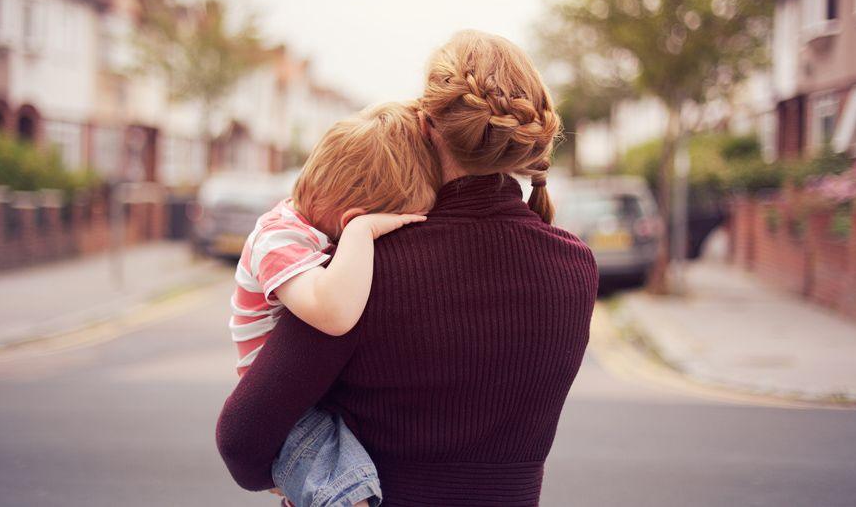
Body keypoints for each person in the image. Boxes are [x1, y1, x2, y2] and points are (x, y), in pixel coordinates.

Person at [217, 30, 599, 506]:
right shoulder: (576, 266)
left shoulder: (370, 266)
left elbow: (242, 438)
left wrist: (290, 477)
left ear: (423, 125)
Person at [227, 101, 440, 506]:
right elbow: (334, 314)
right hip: (287, 417)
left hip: (312, 399)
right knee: (349, 494)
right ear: (352, 218)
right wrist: (364, 233)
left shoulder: (308, 231)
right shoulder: (277, 237)